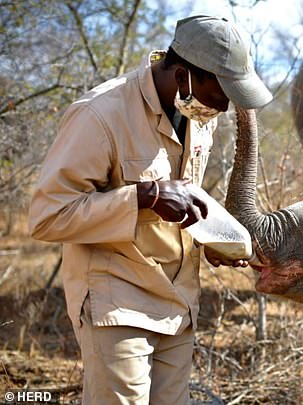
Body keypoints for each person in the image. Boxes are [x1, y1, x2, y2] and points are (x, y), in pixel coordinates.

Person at [28, 15, 272, 404]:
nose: (225, 108)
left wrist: (210, 240)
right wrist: (144, 196)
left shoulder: (196, 113)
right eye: (220, 95)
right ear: (183, 77)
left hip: (179, 302)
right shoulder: (99, 114)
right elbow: (48, 216)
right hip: (117, 298)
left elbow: (179, 195)